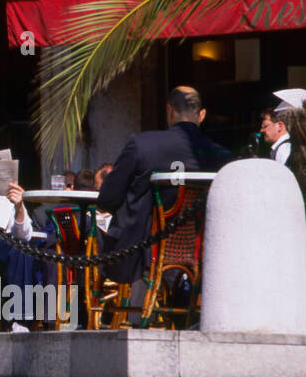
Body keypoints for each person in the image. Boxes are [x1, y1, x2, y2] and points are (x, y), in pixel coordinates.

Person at [97, 86, 232, 306]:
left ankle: (137, 315)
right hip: (200, 251)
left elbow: (107, 200)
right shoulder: (221, 156)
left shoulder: (142, 144)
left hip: (142, 253)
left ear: (169, 110)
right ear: (202, 114)